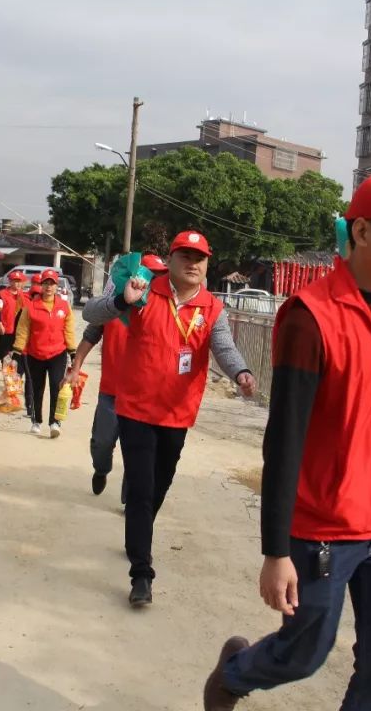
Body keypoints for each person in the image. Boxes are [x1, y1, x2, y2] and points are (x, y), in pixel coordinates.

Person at [201, 172, 371, 711]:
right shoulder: (311, 317)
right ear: (362, 231)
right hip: (325, 526)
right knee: (304, 654)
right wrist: (276, 552)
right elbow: (285, 439)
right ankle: (232, 675)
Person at [84, 231, 257, 608]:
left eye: (200, 257)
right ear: (172, 258)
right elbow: (91, 314)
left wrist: (241, 372)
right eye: (186, 256)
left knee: (159, 486)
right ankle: (141, 573)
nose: (193, 263)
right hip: (135, 410)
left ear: (207, 263)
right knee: (142, 489)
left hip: (177, 414)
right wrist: (120, 300)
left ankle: (138, 532)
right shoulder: (143, 289)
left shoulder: (211, 308)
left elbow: (224, 347)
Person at [65, 253, 168, 499]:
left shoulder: (162, 313)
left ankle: (130, 497)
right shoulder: (114, 306)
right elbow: (90, 334)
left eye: (159, 277)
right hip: (111, 392)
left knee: (137, 451)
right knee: (102, 444)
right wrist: (76, 367)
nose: (152, 282)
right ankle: (101, 469)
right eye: (149, 276)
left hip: (144, 396)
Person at [13, 269, 76, 438]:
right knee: (37, 388)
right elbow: (23, 330)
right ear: (41, 286)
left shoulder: (64, 306)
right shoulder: (31, 307)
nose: (49, 287)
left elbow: (68, 330)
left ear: (57, 286)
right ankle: (36, 420)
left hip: (58, 353)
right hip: (35, 354)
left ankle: (55, 422)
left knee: (57, 386)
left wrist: (73, 352)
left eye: (52, 283)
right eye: (46, 283)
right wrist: (17, 352)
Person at [0, 270, 28, 376]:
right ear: (10, 282)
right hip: (5, 327)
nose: (17, 284)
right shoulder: (1, 294)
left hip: (18, 329)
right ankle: (4, 373)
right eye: (15, 281)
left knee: (9, 350)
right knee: (4, 350)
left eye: (19, 281)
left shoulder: (23, 295)